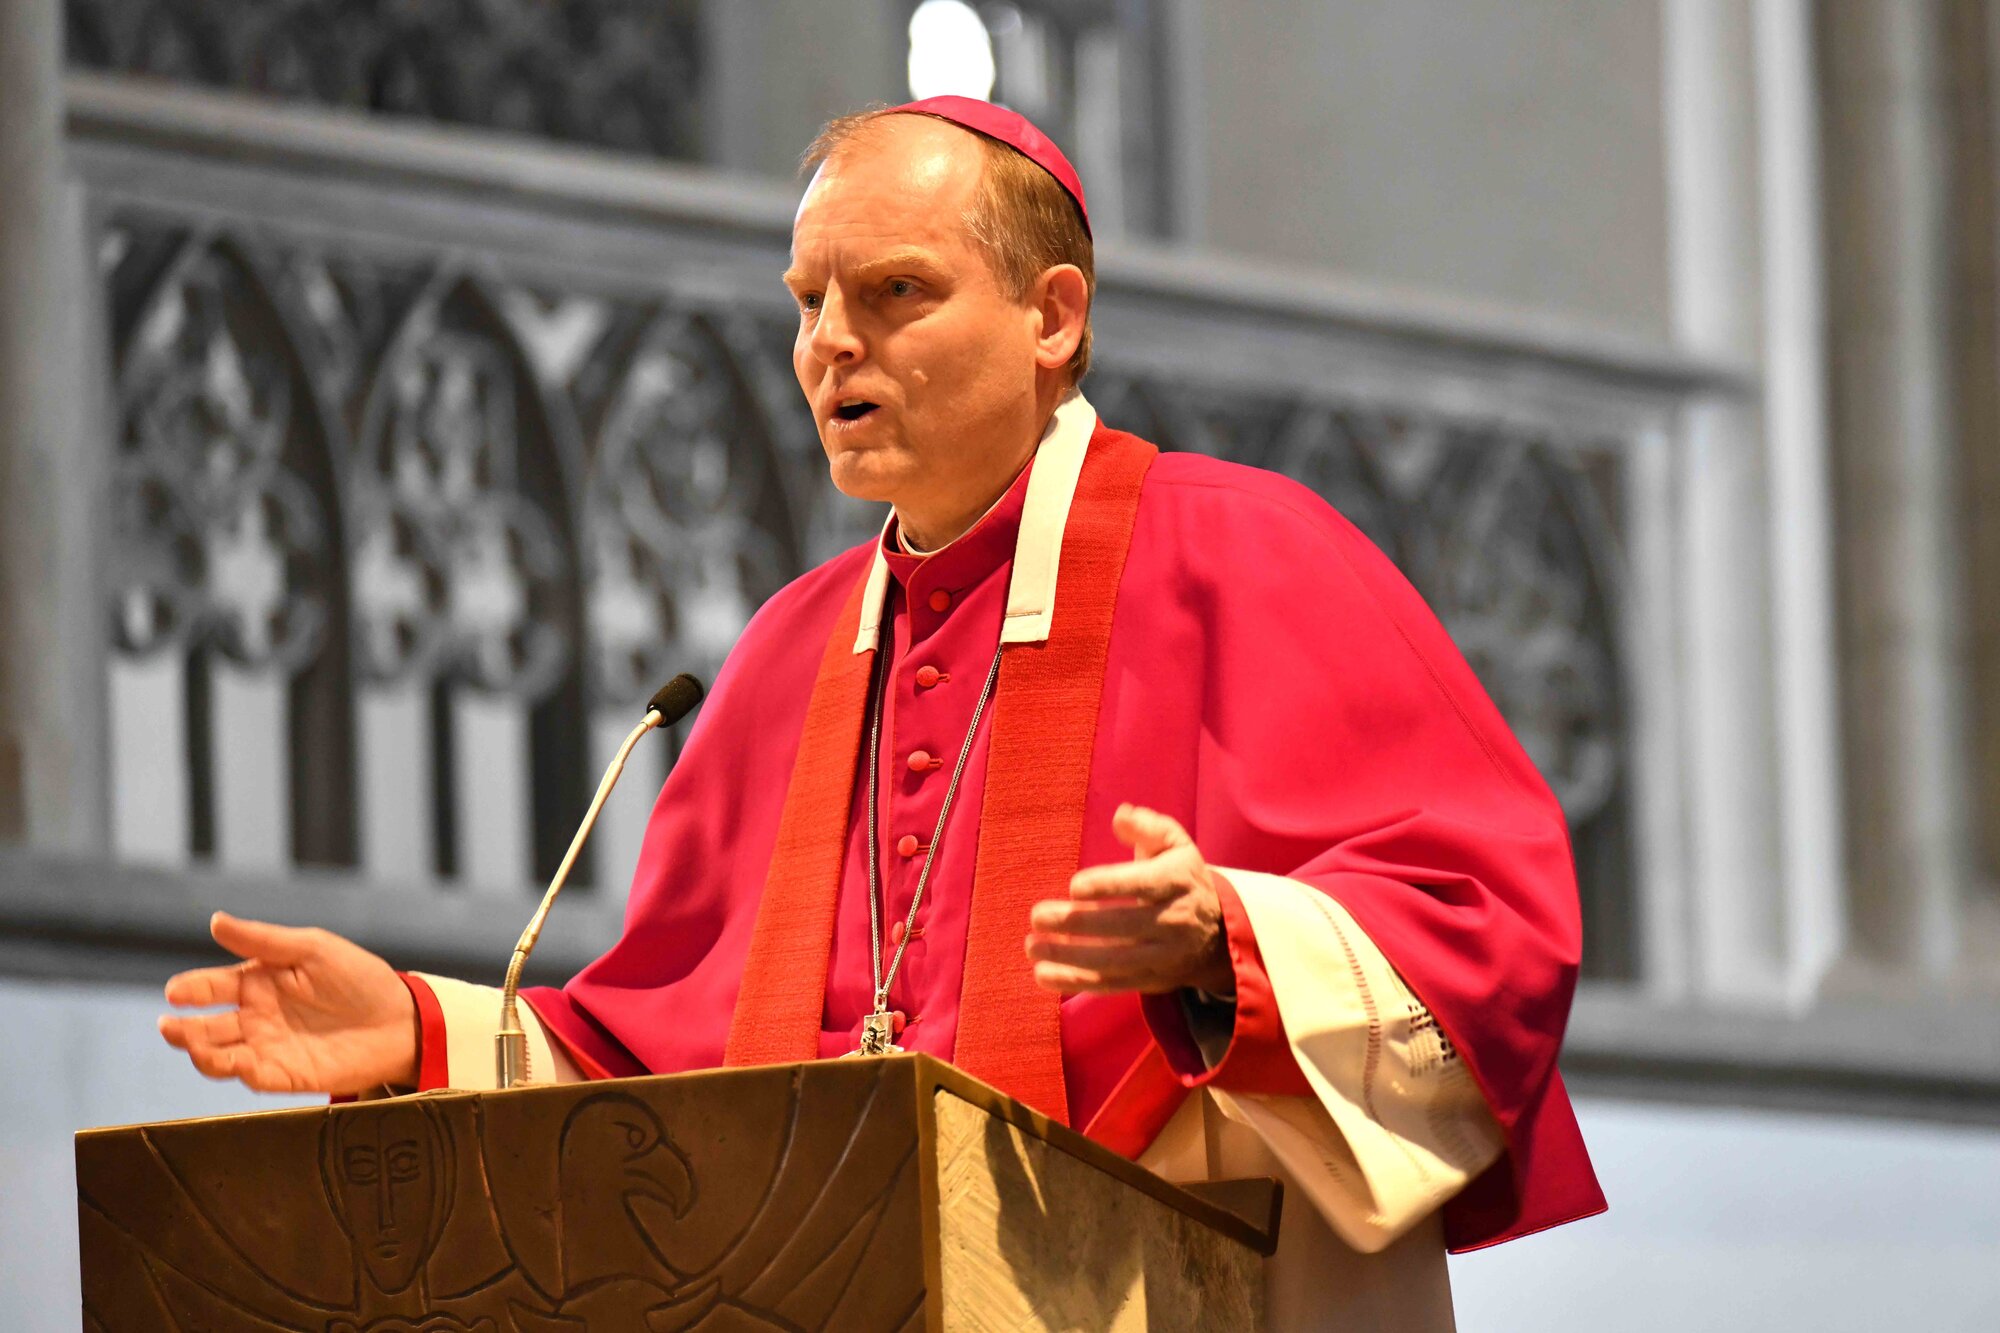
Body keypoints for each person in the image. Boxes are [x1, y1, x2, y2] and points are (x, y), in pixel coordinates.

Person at [160, 96, 1604, 1327]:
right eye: (806, 302)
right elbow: (657, 1057)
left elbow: (1490, 925)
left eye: (895, 292)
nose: (829, 345)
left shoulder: (1251, 554)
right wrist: (417, 1030)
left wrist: (1228, 948)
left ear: (1052, 317)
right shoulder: (792, 649)